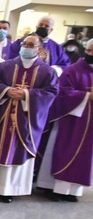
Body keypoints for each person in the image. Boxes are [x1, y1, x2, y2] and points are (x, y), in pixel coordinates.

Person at [0, 34, 59, 203]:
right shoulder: (5, 66)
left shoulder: (47, 72)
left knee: (18, 149)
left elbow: (51, 93)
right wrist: (6, 91)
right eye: (24, 43)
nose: (26, 47)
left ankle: (9, 189)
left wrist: (27, 94)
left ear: (39, 49)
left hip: (26, 119)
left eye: (31, 45)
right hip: (1, 117)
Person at [36, 39, 93, 201]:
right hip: (70, 120)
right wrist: (87, 96)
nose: (90, 54)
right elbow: (63, 93)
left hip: (89, 123)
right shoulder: (73, 70)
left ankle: (73, 190)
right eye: (88, 50)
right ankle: (50, 186)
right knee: (61, 150)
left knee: (85, 155)